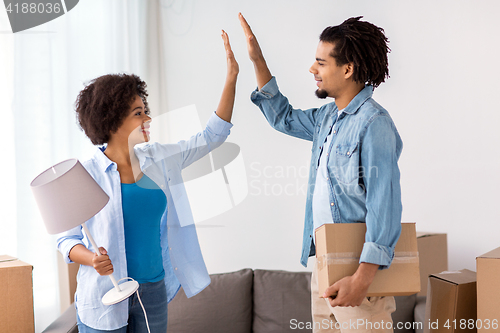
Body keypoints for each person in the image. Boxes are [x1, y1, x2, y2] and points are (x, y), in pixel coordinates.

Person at [56, 30, 238, 332]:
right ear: (112, 121)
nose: (147, 119)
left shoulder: (160, 159)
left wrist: (231, 77)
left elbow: (212, 137)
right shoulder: (85, 173)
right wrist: (90, 258)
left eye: (146, 111)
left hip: (152, 290)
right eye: (138, 113)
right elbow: (66, 239)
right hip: (104, 296)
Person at [239, 13, 402, 332]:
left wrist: (362, 278)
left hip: (357, 271)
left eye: (320, 62)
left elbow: (385, 205)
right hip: (325, 263)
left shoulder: (374, 123)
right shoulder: (328, 118)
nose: (312, 70)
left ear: (347, 69)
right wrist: (257, 60)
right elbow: (282, 118)